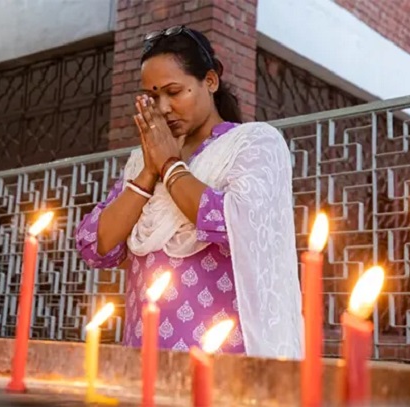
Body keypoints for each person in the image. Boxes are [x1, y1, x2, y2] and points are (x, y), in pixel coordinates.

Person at [75, 26, 302, 359]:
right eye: (153, 97)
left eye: (173, 92)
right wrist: (151, 171)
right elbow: (97, 245)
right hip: (143, 352)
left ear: (210, 81)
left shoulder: (252, 144)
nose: (163, 107)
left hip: (223, 355)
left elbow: (233, 224)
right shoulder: (142, 160)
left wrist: (169, 166)